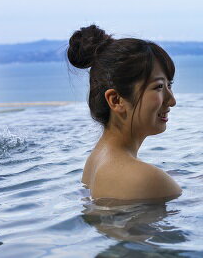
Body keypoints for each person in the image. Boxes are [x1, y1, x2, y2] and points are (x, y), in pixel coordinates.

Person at [68, 25, 181, 201]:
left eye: (169, 85)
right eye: (158, 87)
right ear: (116, 100)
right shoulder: (146, 179)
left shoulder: (96, 162)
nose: (172, 100)